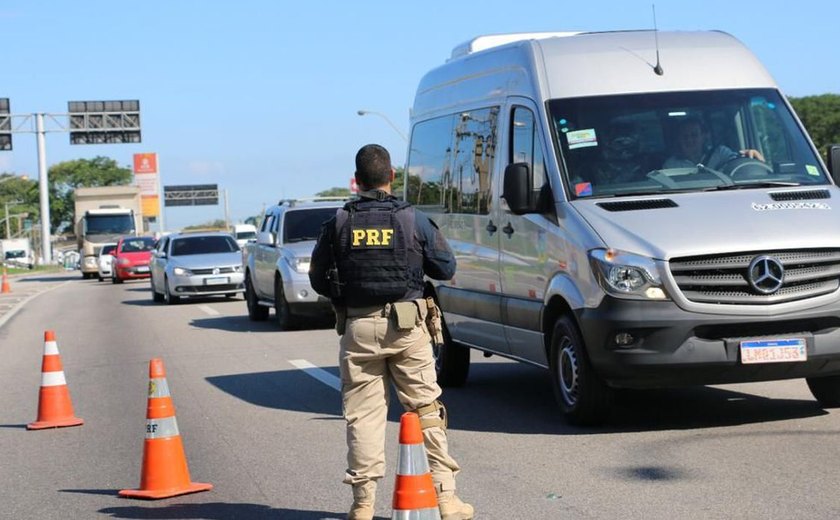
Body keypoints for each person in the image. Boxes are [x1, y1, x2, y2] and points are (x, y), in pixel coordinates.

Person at [309, 144, 473, 520]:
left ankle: (363, 505)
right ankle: (446, 499)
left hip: (359, 327)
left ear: (356, 180)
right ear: (392, 177)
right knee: (426, 409)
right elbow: (446, 267)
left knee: (363, 417)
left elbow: (318, 279)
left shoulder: (338, 223)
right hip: (408, 326)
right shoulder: (412, 220)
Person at [663, 116, 765, 169]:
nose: (689, 140)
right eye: (685, 136)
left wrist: (751, 156)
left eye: (694, 135)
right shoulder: (671, 165)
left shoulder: (721, 153)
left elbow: (739, 166)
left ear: (704, 136)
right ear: (679, 139)